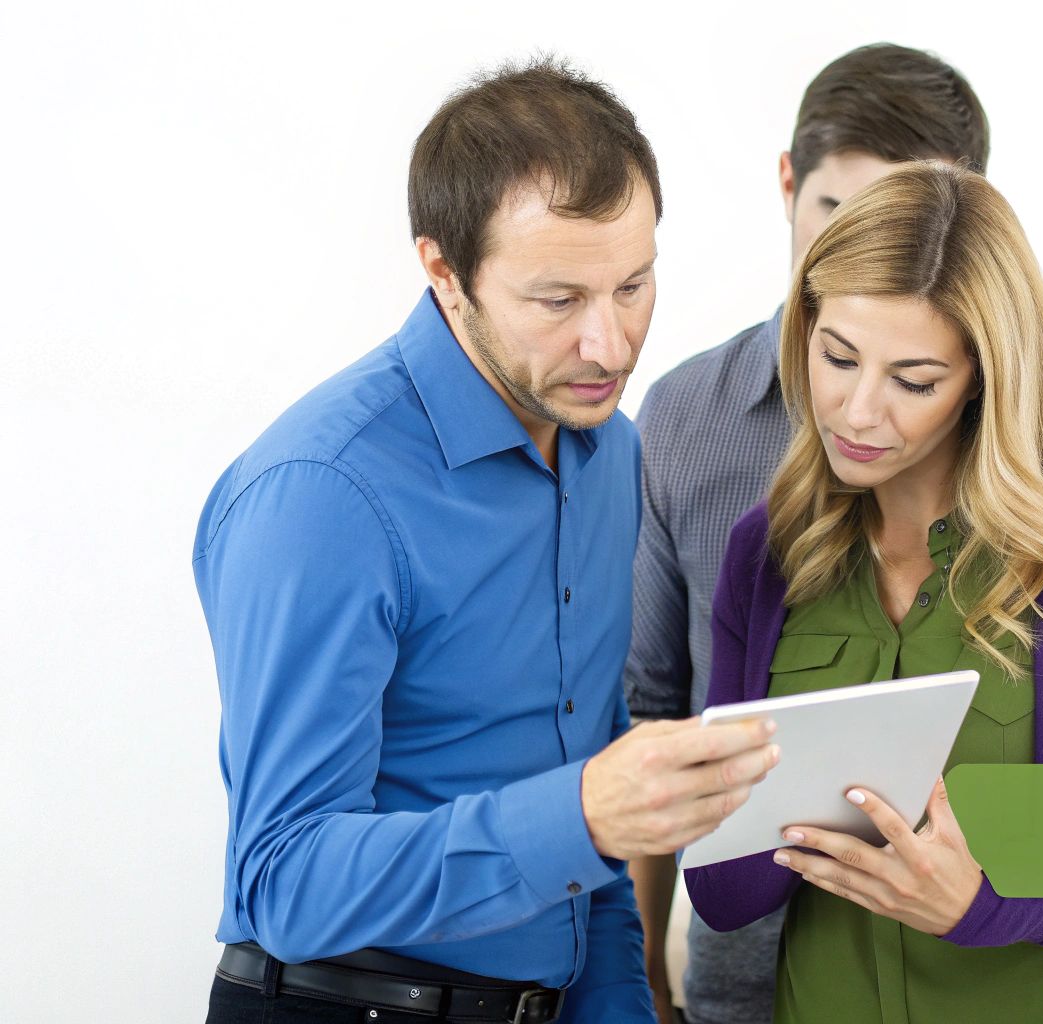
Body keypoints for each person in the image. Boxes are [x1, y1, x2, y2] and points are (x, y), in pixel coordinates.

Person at [193, 57, 779, 1024]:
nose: (612, 345)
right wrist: (579, 815)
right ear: (444, 271)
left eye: (634, 285)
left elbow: (594, 800)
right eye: (558, 300)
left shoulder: (610, 453)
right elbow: (283, 880)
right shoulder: (323, 493)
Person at [682, 162, 1043, 1023]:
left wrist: (979, 904)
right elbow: (721, 894)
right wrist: (746, 802)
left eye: (914, 380)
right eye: (838, 357)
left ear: (983, 378)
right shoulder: (767, 553)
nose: (858, 411)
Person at [622, 43, 990, 1024]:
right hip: (746, 982)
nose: (865, 254)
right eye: (838, 211)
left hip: (974, 974)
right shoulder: (685, 420)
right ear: (788, 185)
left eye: (904, 221)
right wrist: (641, 973)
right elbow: (650, 717)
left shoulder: (1041, 472)